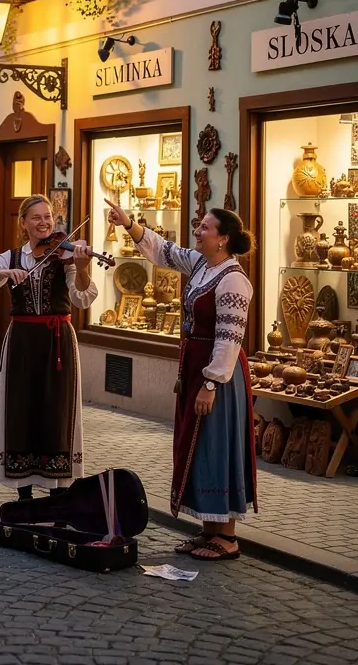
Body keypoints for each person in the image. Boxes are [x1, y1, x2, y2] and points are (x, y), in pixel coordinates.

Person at [105, 199, 257, 561]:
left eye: (205, 227)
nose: (198, 230)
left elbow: (230, 338)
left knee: (218, 447)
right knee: (198, 446)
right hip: (193, 370)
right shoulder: (203, 264)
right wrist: (129, 224)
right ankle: (209, 531)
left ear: (223, 239)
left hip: (217, 376)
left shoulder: (234, 279)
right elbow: (165, 251)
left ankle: (229, 537)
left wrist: (211, 383)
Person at [0, 194, 97, 499]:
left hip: (58, 342)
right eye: (37, 217)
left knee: (57, 410)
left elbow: (83, 297)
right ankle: (23, 495)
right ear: (24, 223)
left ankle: (58, 495)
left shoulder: (64, 255)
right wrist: (1, 275)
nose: (44, 223)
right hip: (22, 342)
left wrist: (80, 268)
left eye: (48, 217)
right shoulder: (9, 257)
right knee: (21, 410)